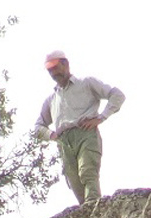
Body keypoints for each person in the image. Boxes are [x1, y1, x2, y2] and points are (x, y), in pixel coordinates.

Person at [33, 50, 125, 207]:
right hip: (64, 141)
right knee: (74, 180)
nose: (54, 73)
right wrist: (52, 135)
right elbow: (38, 127)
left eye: (56, 68)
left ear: (65, 64)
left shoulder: (86, 83)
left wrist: (101, 117)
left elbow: (117, 95)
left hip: (85, 132)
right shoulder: (51, 99)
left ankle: (93, 207)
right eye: (50, 70)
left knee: (87, 171)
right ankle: (86, 215)